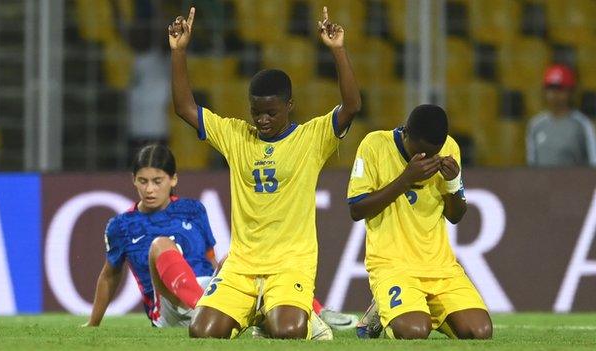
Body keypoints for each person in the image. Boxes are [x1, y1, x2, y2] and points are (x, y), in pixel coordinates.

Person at [168, 6, 361, 339]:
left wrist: (338, 51)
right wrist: (179, 52)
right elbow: (184, 108)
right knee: (201, 332)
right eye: (256, 112)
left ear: (289, 105)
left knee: (287, 331)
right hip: (242, 265)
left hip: (291, 264)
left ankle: (295, 315)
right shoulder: (236, 135)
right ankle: (257, 312)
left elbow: (352, 106)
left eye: (271, 112)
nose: (262, 120)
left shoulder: (311, 138)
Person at [348, 104, 492, 340]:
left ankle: (389, 308)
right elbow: (356, 208)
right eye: (421, 152)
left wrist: (454, 183)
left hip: (441, 268)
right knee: (414, 332)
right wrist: (406, 179)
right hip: (392, 266)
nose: (427, 159)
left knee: (480, 332)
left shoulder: (450, 148)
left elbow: (456, 216)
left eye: (433, 154)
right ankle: (383, 309)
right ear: (405, 132)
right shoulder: (375, 145)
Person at [85, 144, 216, 327]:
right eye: (143, 181)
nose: (149, 189)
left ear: (173, 179)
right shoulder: (121, 226)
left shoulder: (194, 209)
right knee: (161, 245)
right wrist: (93, 323)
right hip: (170, 308)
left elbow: (210, 257)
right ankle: (206, 310)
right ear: (134, 180)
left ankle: (252, 320)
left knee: (233, 259)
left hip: (209, 290)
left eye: (157, 181)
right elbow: (109, 275)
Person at [526, 64, 596, 167]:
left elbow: (593, 162)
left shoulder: (582, 125)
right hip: (542, 182)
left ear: (570, 92)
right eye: (550, 88)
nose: (554, 94)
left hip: (574, 182)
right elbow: (532, 164)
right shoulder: (536, 125)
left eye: (560, 88)